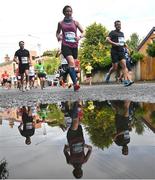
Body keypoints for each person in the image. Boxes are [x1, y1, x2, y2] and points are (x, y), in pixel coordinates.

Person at [56, 5, 84, 91]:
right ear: (64, 13)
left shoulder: (75, 22)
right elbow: (57, 33)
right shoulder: (60, 23)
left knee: (73, 65)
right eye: (67, 11)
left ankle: (70, 79)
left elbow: (83, 32)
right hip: (65, 45)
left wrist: (80, 37)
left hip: (74, 45)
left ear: (72, 12)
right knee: (71, 62)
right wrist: (59, 37)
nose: (69, 13)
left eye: (70, 11)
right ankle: (75, 84)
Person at [63, 101, 92, 178]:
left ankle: (75, 103)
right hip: (80, 137)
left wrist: (68, 148)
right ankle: (67, 107)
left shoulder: (69, 161)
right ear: (82, 171)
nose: (78, 171)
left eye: (77, 172)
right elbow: (90, 149)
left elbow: (65, 150)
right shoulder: (84, 160)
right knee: (77, 121)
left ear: (74, 171)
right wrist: (86, 146)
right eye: (80, 172)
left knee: (75, 121)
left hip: (72, 138)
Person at [105, 20, 133, 87]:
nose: (119, 26)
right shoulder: (112, 32)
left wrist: (127, 47)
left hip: (121, 51)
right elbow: (107, 40)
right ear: (115, 25)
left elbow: (123, 42)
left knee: (124, 65)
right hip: (114, 51)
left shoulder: (122, 33)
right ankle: (108, 74)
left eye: (120, 24)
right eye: (117, 24)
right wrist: (115, 44)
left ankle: (126, 81)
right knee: (115, 67)